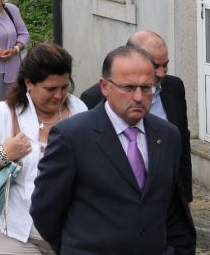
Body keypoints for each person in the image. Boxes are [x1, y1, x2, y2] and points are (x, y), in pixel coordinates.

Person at [30, 45, 182, 254]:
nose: (138, 97)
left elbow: (172, 209)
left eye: (146, 88)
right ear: (104, 87)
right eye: (128, 88)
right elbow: (45, 210)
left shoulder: (167, 135)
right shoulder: (72, 136)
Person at [0, 43, 86, 254]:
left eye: (64, 87)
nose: (59, 95)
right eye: (50, 89)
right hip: (13, 233)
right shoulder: (2, 114)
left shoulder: (78, 109)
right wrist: (4, 154)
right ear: (29, 83)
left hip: (71, 232)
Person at [80, 30, 195, 254]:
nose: (161, 73)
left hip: (166, 204)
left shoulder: (174, 88)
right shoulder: (93, 99)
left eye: (166, 65)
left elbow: (183, 144)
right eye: (156, 65)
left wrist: (186, 197)